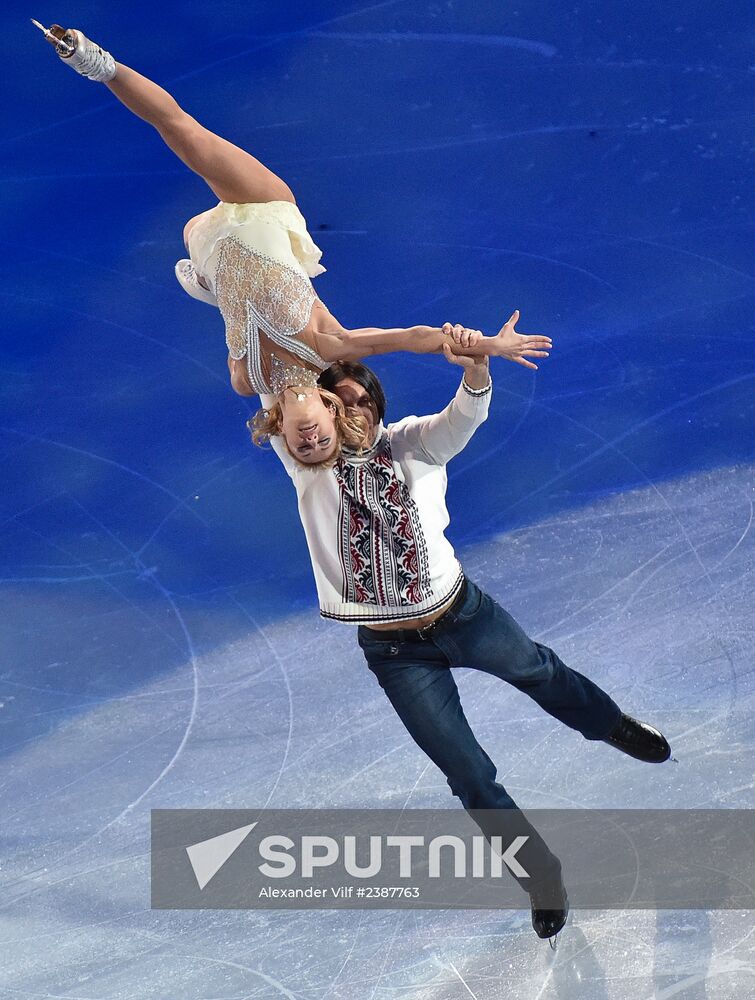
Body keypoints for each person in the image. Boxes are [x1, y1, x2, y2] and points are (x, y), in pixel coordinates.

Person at [250, 350, 673, 941]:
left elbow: (465, 413)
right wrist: (241, 288)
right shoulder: (306, 460)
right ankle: (541, 878)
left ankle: (609, 724)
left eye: (361, 402)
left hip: (461, 615)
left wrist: (477, 365)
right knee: (469, 774)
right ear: (318, 407)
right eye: (335, 401)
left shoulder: (414, 443)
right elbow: (271, 377)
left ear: (377, 408)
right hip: (397, 655)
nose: (349, 412)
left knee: (539, 672)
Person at [33, 21, 553, 466]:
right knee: (183, 133)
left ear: (282, 435)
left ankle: (212, 284)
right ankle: (94, 61)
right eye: (323, 439)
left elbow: (245, 344)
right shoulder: (330, 347)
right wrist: (489, 346)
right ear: (330, 409)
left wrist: (227, 296)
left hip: (210, 244)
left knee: (214, 268)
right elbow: (417, 337)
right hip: (262, 213)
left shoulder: (245, 380)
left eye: (305, 450)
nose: (311, 441)